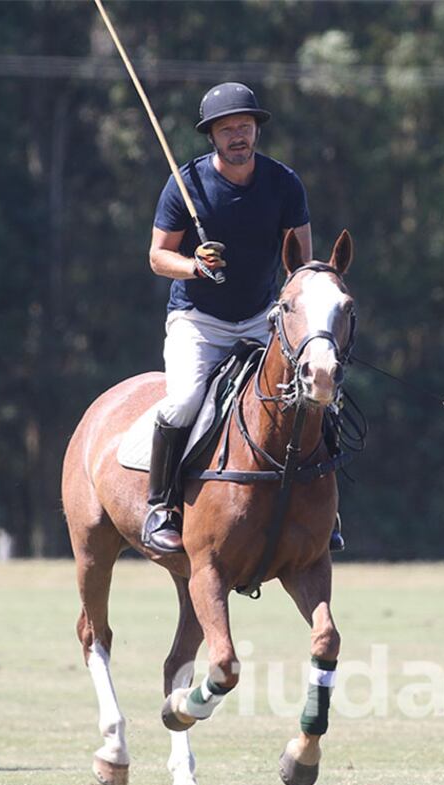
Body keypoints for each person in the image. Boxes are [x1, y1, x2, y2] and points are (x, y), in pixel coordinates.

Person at [143, 81, 343, 555]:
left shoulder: (283, 184)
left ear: (256, 131)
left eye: (246, 127)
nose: (239, 136)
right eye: (228, 129)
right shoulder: (186, 185)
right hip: (198, 320)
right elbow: (157, 257)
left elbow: (301, 263)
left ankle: (325, 511)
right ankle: (162, 506)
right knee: (184, 403)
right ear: (211, 135)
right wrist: (196, 266)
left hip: (261, 318)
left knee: (318, 395)